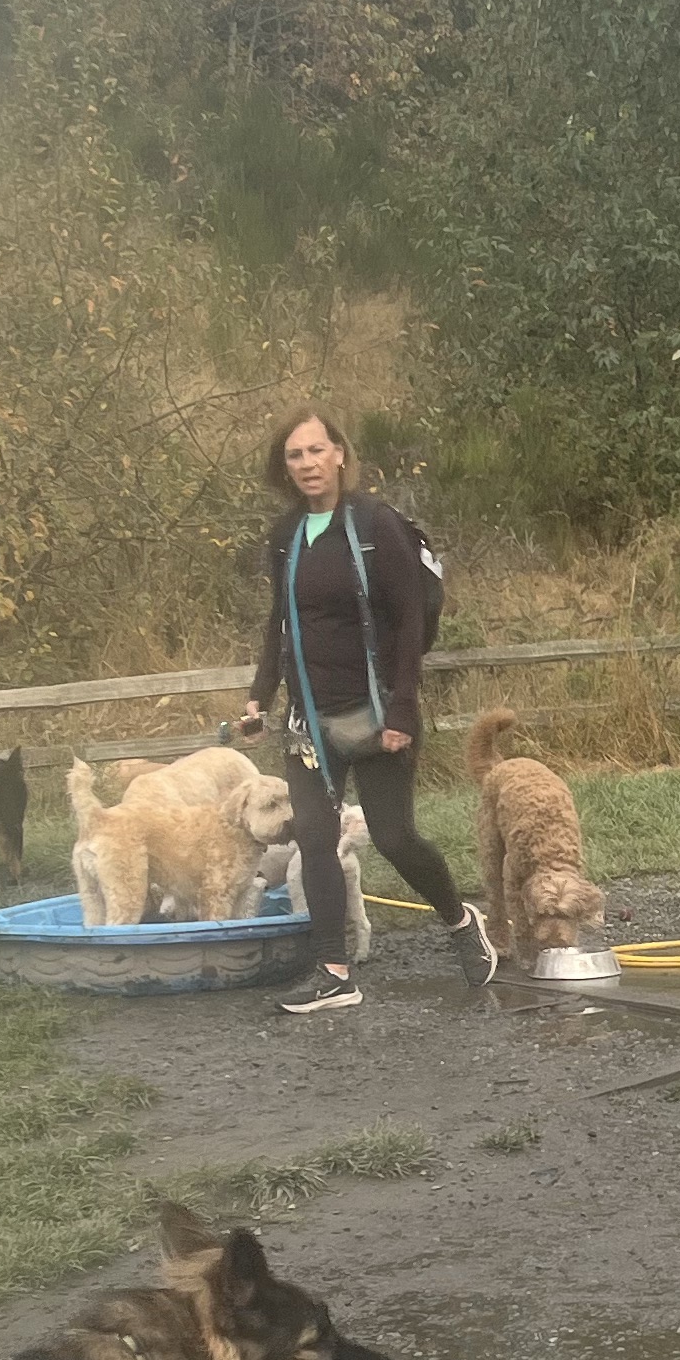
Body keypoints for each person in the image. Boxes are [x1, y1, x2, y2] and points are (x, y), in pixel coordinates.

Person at [239, 408, 496, 1015]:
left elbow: (409, 624)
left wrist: (402, 712)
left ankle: (461, 921)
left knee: (394, 837)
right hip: (308, 718)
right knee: (315, 838)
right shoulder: (284, 534)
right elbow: (281, 621)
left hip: (375, 712)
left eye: (315, 450)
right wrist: (260, 695)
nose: (306, 464)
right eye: (294, 455)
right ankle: (334, 972)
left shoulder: (377, 525)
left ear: (340, 455)